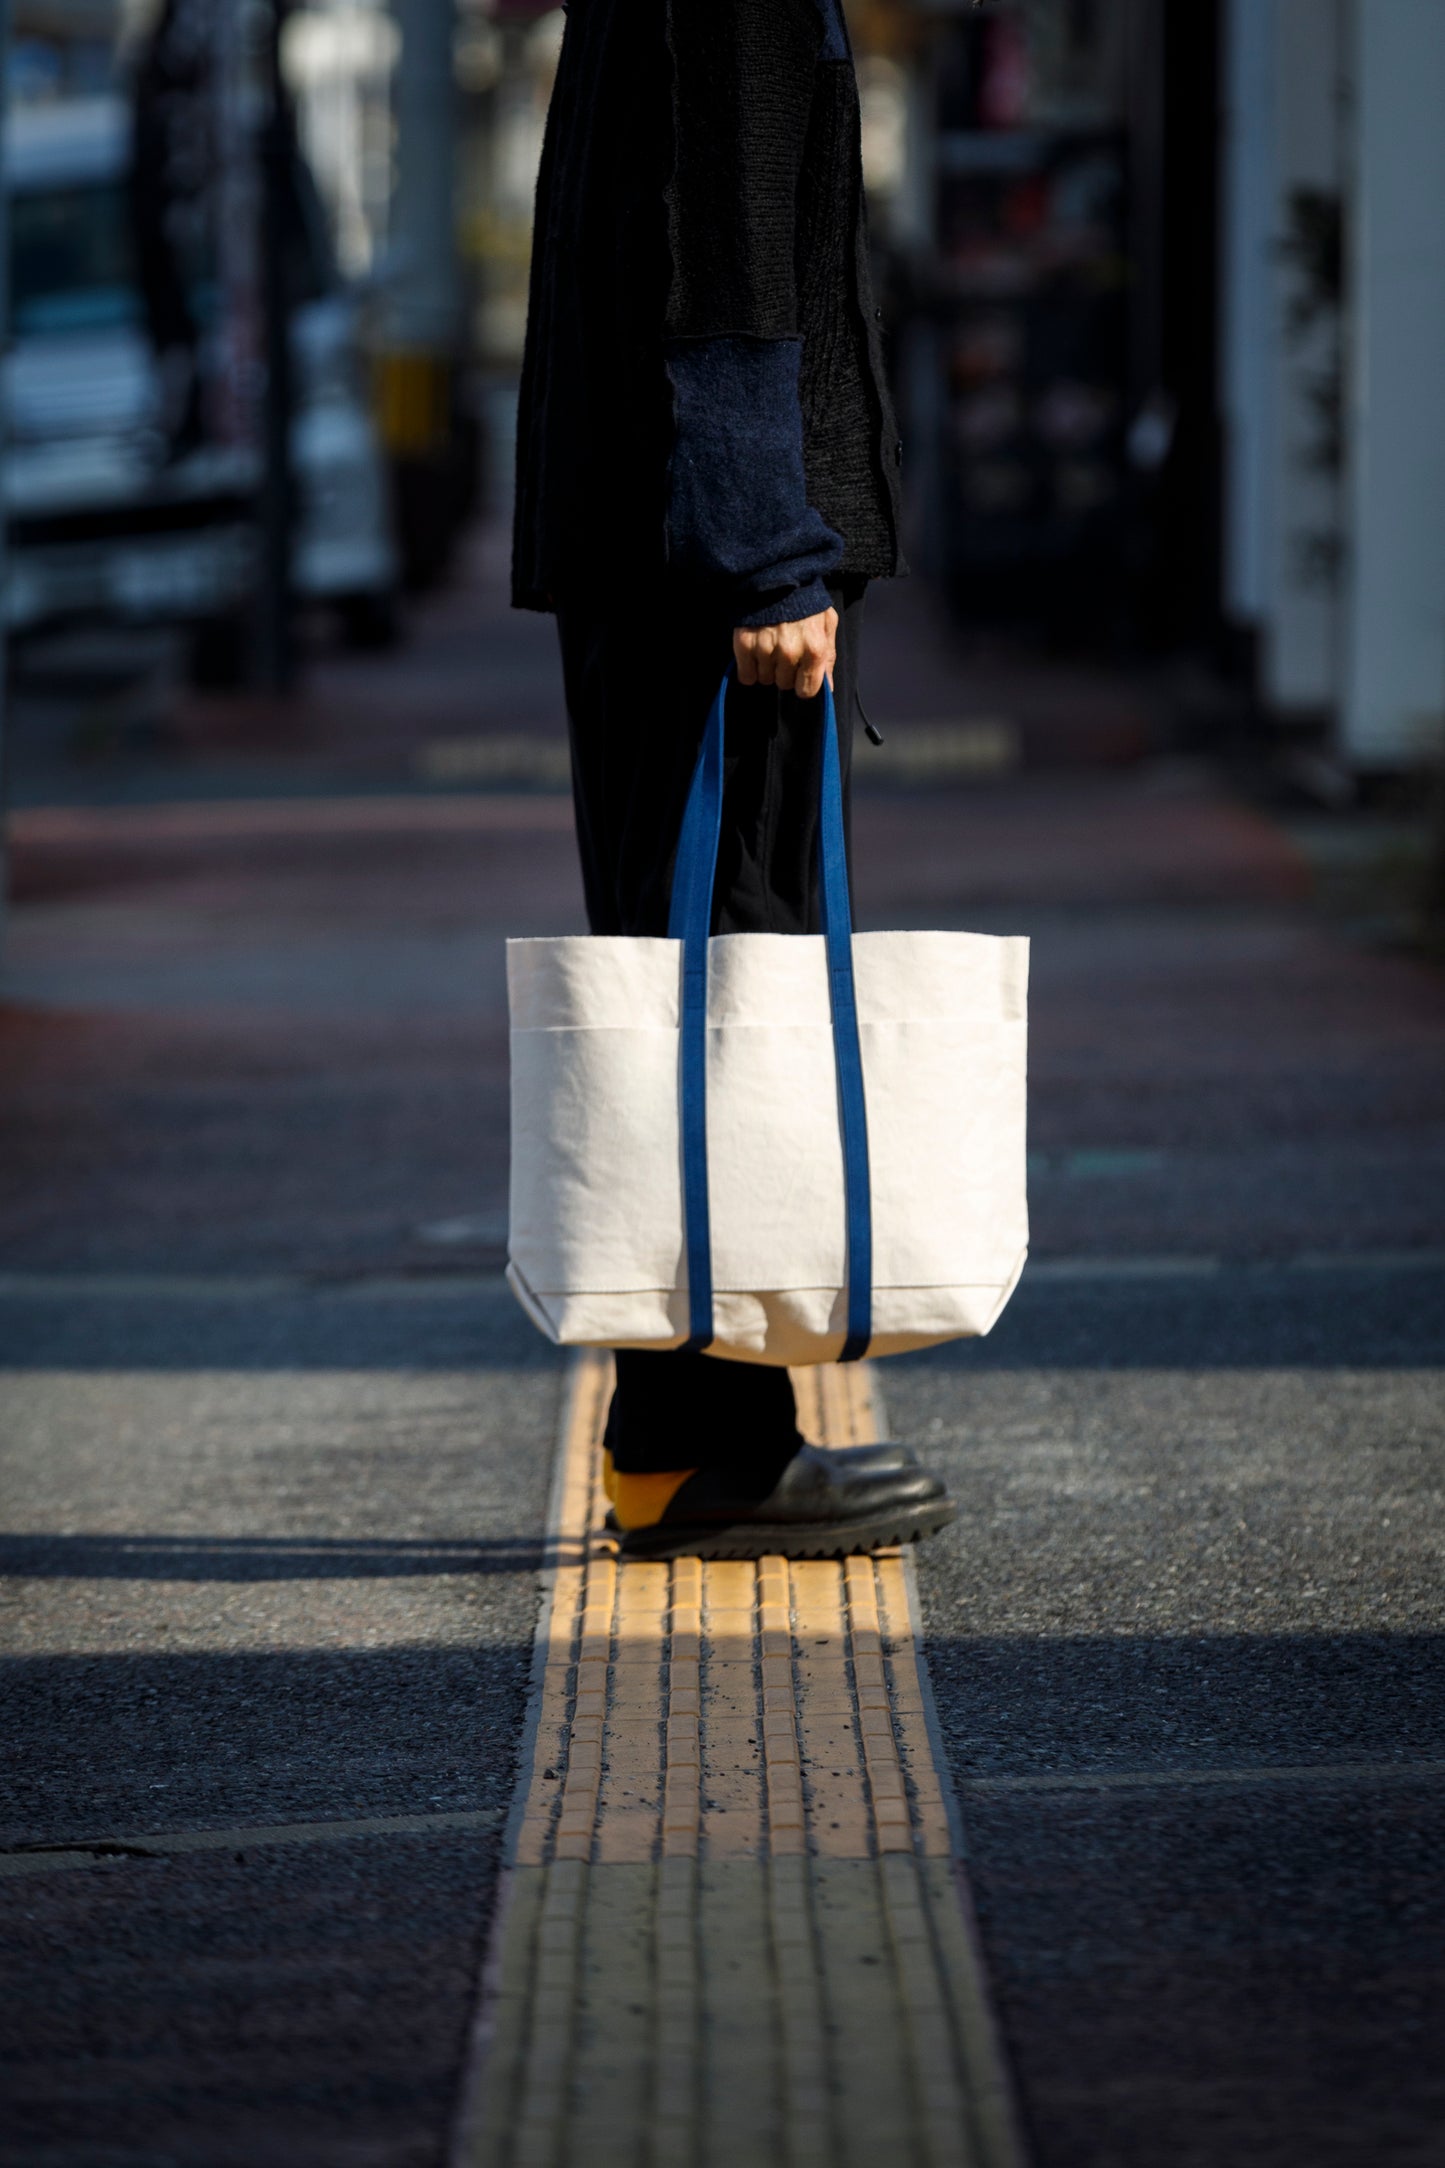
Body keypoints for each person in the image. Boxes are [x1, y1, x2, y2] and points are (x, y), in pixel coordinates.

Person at [513, 0, 954, 1558]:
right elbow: (724, 259)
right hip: (705, 572)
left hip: (652, 555)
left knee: (686, 980)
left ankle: (680, 1433)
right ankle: (703, 1450)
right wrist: (766, 558)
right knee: (724, 961)